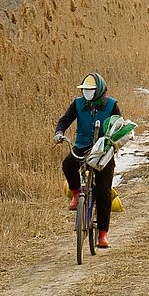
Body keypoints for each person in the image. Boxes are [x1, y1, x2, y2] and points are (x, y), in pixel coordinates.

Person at [54, 72, 120, 249]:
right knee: (68, 165)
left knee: (104, 192)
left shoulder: (112, 105)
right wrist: (59, 132)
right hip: (82, 146)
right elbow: (65, 119)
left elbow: (118, 126)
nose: (87, 93)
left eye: (91, 90)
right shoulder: (78, 103)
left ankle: (102, 235)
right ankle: (76, 194)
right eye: (85, 90)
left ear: (99, 90)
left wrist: (114, 141)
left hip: (103, 151)